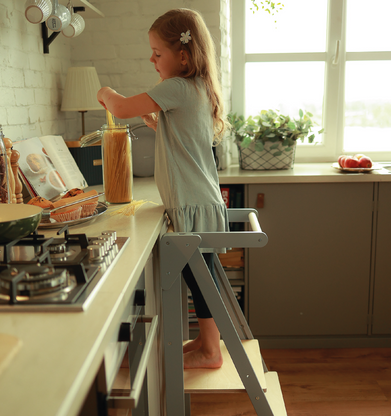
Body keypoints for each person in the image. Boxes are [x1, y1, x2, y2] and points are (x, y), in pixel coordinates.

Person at [97, 8, 229, 369]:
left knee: (199, 277)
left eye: (158, 53)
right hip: (199, 199)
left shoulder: (177, 87)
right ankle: (207, 341)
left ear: (182, 55)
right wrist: (158, 125)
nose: (151, 59)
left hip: (191, 202)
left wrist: (105, 91)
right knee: (204, 274)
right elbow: (185, 142)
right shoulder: (197, 87)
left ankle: (211, 352)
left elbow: (120, 108)